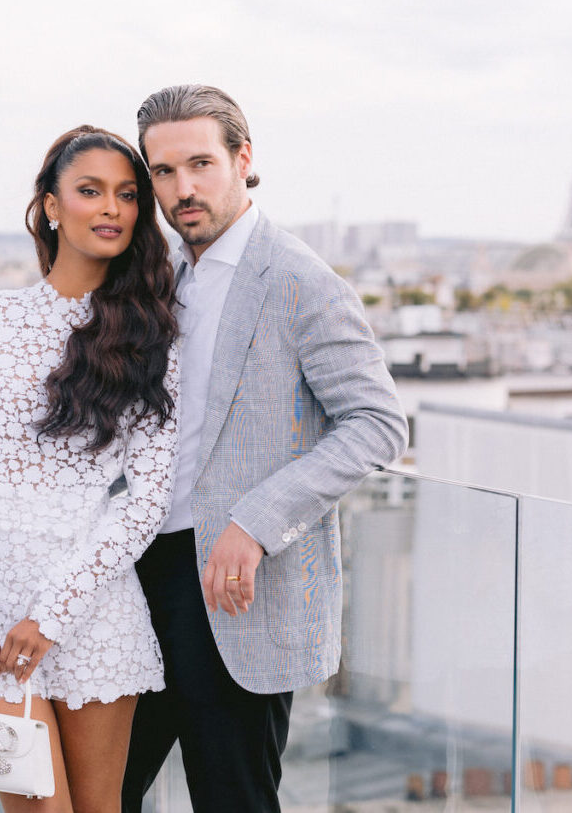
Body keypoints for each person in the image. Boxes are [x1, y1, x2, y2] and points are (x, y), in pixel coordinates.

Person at [122, 85, 408, 812]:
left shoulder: (300, 280)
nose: (182, 189)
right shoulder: (168, 276)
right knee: (100, 791)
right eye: (162, 172)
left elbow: (377, 424)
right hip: (141, 577)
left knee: (233, 800)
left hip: (234, 591)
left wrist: (254, 523)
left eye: (200, 164)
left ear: (242, 160)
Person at [0, 125, 179, 813]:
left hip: (90, 612)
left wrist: (54, 612)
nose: (111, 208)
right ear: (51, 205)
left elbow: (146, 499)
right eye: (89, 191)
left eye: (126, 194)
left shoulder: (149, 335)